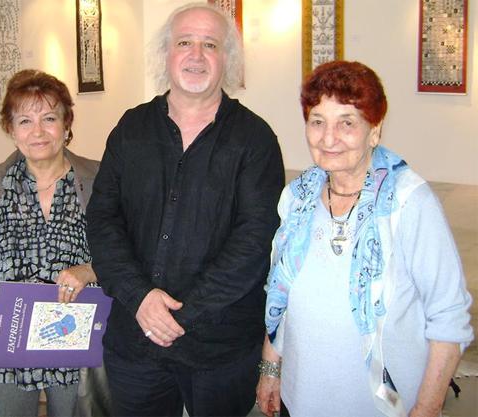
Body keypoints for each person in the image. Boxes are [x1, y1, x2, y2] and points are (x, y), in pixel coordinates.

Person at [86, 3, 285, 416]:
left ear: (228, 59)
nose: (196, 55)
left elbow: (253, 242)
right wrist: (141, 298)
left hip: (220, 349)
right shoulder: (130, 128)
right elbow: (103, 220)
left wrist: (180, 315)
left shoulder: (255, 139)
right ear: (166, 54)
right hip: (135, 340)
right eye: (184, 43)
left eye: (210, 44)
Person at [256, 60, 474, 417]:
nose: (329, 138)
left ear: (374, 130)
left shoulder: (409, 202)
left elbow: (449, 319)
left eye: (347, 122)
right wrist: (270, 369)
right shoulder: (297, 198)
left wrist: (426, 408)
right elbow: (281, 295)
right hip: (301, 399)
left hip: (381, 405)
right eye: (317, 121)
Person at [0, 69, 110, 417]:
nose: (37, 132)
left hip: (75, 337)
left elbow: (125, 251)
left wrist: (89, 270)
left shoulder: (99, 181)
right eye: (25, 121)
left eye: (49, 118)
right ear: (10, 129)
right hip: (8, 336)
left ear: (66, 124)